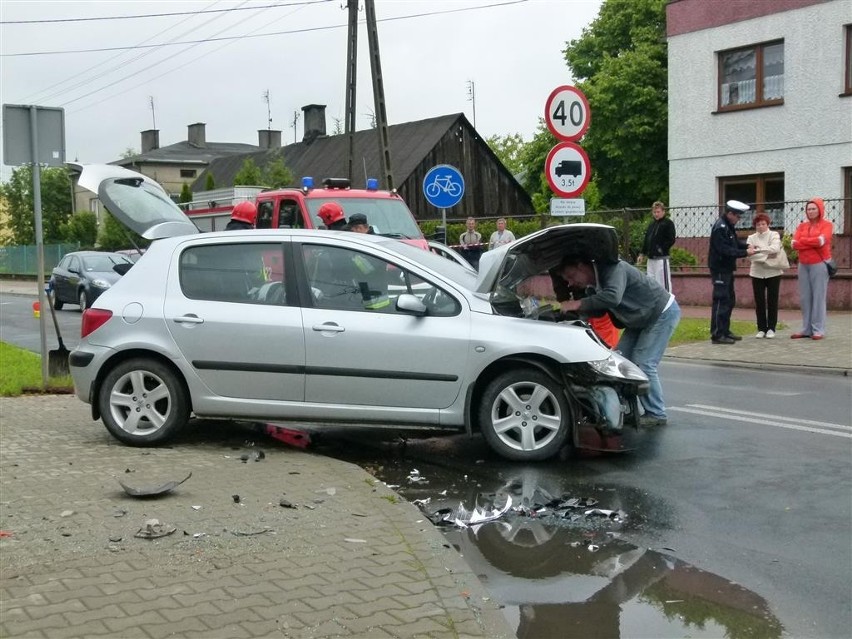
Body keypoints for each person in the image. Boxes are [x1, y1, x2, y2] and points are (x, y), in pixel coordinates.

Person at [553, 255, 681, 427]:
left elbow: (613, 297)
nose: (569, 283)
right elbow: (599, 310)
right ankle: (626, 410)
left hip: (661, 313)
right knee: (621, 363)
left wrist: (578, 304)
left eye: (570, 276)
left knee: (643, 363)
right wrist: (568, 317)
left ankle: (657, 414)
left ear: (582, 266)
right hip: (640, 318)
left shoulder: (613, 268)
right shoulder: (593, 285)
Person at [709, 200, 756, 344]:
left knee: (729, 300)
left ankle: (725, 330)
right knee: (721, 300)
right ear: (730, 214)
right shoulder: (720, 227)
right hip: (720, 268)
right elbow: (725, 250)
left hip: (727, 269)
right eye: (737, 216)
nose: (739, 219)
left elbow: (734, 243)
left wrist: (747, 245)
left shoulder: (728, 226)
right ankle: (717, 334)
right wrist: (745, 253)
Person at [791, 197, 833, 340]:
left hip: (819, 264)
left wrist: (803, 241)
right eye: (808, 209)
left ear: (820, 209)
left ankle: (818, 329)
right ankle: (806, 329)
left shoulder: (827, 225)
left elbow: (822, 241)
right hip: (803, 264)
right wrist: (809, 242)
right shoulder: (802, 226)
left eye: (814, 208)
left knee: (818, 297)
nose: (811, 211)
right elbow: (793, 244)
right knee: (805, 297)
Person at [746, 213, 785, 338]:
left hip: (773, 272)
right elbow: (749, 255)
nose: (761, 226)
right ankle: (761, 328)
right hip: (757, 273)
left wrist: (758, 251)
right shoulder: (751, 238)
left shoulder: (774, 235)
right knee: (759, 301)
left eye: (763, 224)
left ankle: (771, 328)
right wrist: (766, 254)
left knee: (772, 300)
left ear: (768, 224)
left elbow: (775, 249)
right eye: (758, 224)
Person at [636, 201, 676, 292]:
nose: (656, 214)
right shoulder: (651, 225)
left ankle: (668, 301)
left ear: (663, 212)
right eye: (654, 212)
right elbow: (647, 240)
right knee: (651, 281)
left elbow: (671, 239)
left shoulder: (668, 223)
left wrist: (661, 249)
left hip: (661, 259)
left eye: (658, 212)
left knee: (663, 282)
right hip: (651, 259)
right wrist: (642, 253)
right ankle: (654, 302)